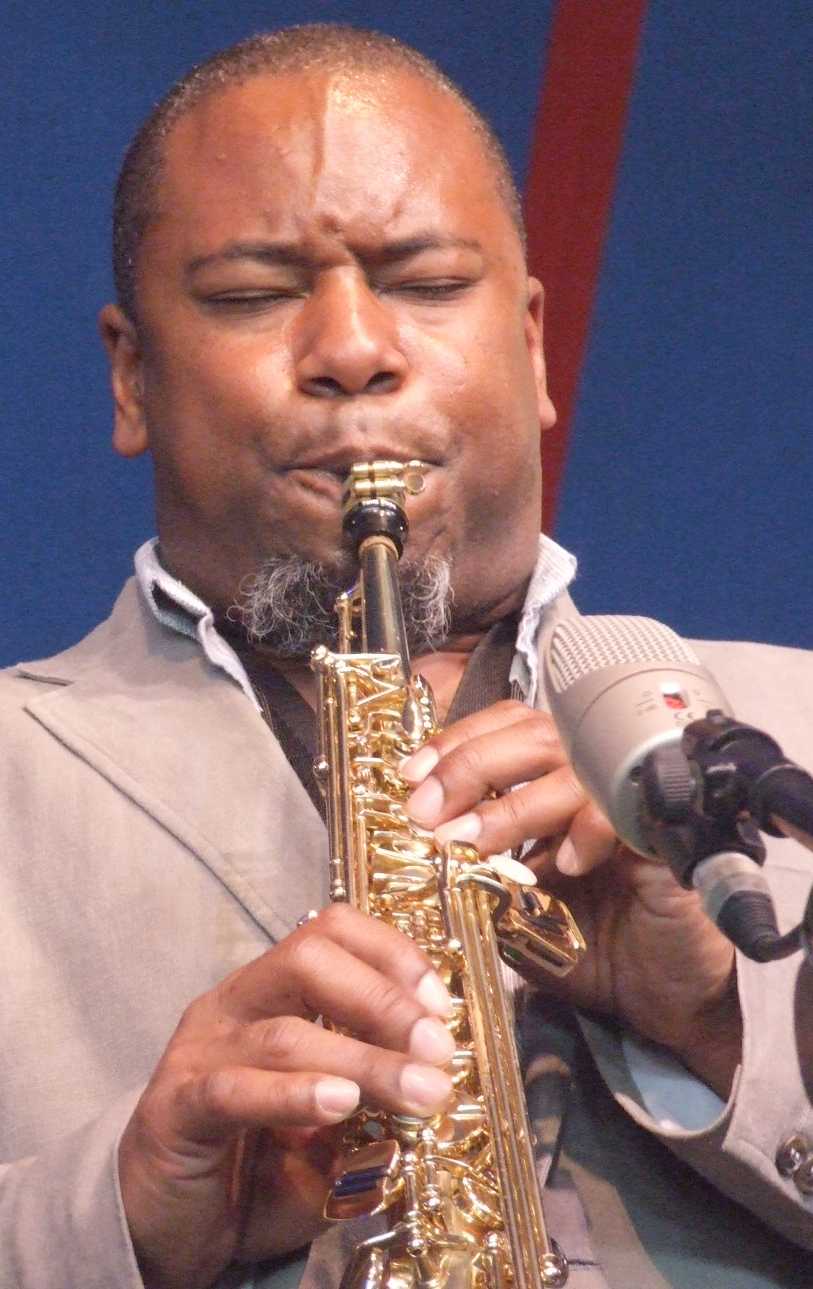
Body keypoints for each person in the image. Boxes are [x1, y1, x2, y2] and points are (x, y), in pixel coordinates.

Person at [2, 23, 812, 1289]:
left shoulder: (791, 728)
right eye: (254, 295)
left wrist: (719, 1021)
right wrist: (114, 1209)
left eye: (428, 282)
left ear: (536, 344)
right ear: (131, 375)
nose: (353, 350)